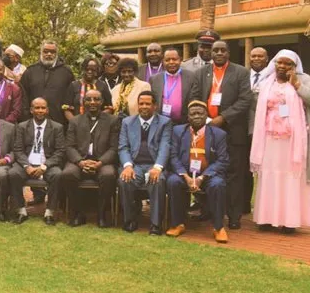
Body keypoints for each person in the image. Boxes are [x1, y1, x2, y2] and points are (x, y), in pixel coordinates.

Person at [189, 40, 252, 229]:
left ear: (228, 53)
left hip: (233, 131)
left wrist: (223, 117)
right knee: (207, 170)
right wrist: (204, 119)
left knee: (234, 175)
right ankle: (207, 210)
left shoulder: (241, 72)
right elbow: (195, 97)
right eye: (215, 50)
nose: (218, 53)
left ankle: (233, 216)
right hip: (207, 130)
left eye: (222, 50)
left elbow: (245, 100)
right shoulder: (201, 73)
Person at [250, 49, 310, 233]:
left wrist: (297, 84)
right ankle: (266, 218)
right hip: (269, 138)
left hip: (292, 140)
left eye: (287, 64)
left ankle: (289, 221)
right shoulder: (266, 82)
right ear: (274, 64)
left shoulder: (304, 79)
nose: (282, 66)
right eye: (279, 62)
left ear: (294, 66)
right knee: (269, 175)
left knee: (289, 176)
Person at [166, 100, 229, 243]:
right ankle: (177, 224)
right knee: (173, 181)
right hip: (185, 174)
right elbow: (173, 156)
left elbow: (222, 160)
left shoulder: (219, 134)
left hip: (208, 175)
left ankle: (218, 227)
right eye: (193, 114)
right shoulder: (178, 131)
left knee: (218, 184)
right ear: (187, 117)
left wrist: (202, 178)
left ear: (206, 115)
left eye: (200, 113)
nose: (196, 116)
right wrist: (186, 176)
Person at [61, 90, 118, 228]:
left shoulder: (112, 120)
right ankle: (78, 213)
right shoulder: (75, 121)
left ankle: (101, 214)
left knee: (108, 175)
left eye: (96, 99)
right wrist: (80, 162)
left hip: (102, 161)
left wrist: (100, 163)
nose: (92, 102)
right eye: (89, 99)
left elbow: (114, 148)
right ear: (83, 102)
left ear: (102, 102)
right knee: (68, 174)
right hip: (79, 160)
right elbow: (69, 146)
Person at [117, 90, 172, 235]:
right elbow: (123, 147)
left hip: (154, 165)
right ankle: (129, 220)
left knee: (157, 181)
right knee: (125, 180)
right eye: (141, 104)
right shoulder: (127, 122)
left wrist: (158, 167)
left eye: (148, 104)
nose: (144, 107)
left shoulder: (164, 122)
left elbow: (165, 146)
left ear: (155, 106)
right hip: (135, 165)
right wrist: (128, 166)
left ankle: (155, 224)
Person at [9, 97, 64, 225]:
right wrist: (27, 166)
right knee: (13, 173)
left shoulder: (57, 127)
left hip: (47, 164)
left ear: (47, 110)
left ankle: (49, 212)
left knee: (57, 175)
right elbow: (18, 149)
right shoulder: (22, 127)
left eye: (43, 108)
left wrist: (44, 166)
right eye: (37, 108)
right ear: (31, 110)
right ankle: (21, 211)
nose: (40, 110)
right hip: (26, 163)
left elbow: (60, 151)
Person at [18, 40, 74, 125]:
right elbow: (23, 97)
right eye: (45, 51)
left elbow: (70, 98)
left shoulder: (66, 72)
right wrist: (26, 118)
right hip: (33, 122)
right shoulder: (30, 71)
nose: (49, 54)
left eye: (52, 52)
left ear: (56, 54)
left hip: (59, 122)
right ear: (41, 52)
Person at [245, 47, 269, 213]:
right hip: (244, 129)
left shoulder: (272, 77)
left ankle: (265, 207)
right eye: (253, 56)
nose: (256, 59)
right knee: (245, 169)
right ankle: (245, 204)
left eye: (260, 56)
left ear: (267, 59)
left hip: (266, 130)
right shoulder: (242, 75)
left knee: (265, 170)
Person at [150, 48, 195, 125]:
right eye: (167, 60)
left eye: (174, 59)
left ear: (180, 60)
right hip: (161, 124)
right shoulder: (154, 79)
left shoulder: (191, 76)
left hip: (184, 123)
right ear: (163, 61)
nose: (171, 62)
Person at [63, 57, 113, 121]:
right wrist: (75, 123)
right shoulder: (74, 85)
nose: (89, 71)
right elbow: (67, 109)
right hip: (78, 124)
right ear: (83, 69)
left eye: (93, 69)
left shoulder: (102, 85)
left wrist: (97, 121)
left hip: (98, 124)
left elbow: (109, 108)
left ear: (97, 71)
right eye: (87, 69)